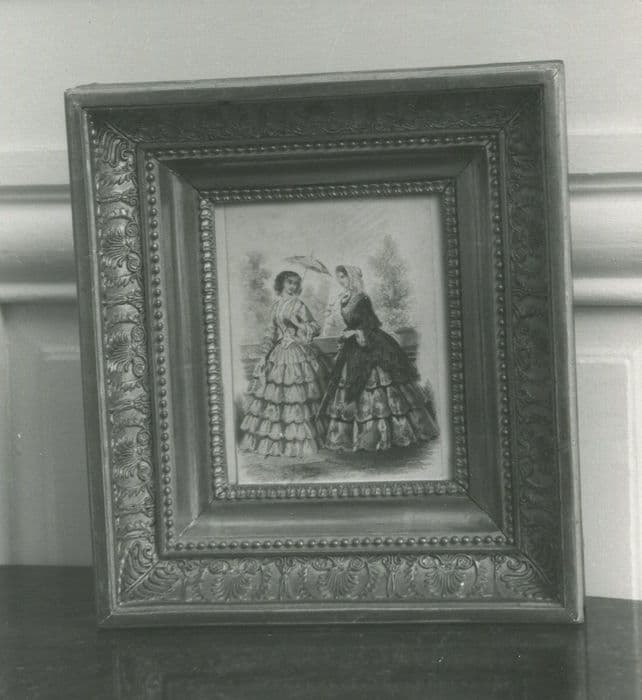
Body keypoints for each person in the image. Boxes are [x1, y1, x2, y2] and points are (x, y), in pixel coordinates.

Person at [320, 265, 439, 451]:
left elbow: (370, 324)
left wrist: (355, 333)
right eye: (340, 277)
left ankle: (387, 436)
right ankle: (352, 438)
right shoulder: (344, 298)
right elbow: (347, 322)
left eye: (344, 276)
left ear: (352, 277)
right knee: (348, 380)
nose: (341, 280)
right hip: (353, 345)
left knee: (379, 382)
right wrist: (344, 329)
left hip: (370, 341)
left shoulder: (363, 298)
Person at [239, 270, 328, 457]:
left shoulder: (299, 305)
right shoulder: (276, 306)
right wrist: (263, 356)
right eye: (289, 283)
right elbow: (270, 332)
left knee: (298, 397)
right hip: (279, 352)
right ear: (282, 284)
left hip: (297, 351)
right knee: (276, 396)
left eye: (295, 283)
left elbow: (315, 328)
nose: (293, 286)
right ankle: (278, 444)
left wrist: (298, 324)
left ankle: (301, 444)